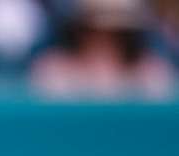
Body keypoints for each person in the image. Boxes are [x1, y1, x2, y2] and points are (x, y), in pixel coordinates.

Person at [30, 0, 175, 98]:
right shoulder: (53, 70)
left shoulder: (152, 72)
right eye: (93, 31)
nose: (104, 40)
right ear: (79, 30)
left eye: (117, 34)